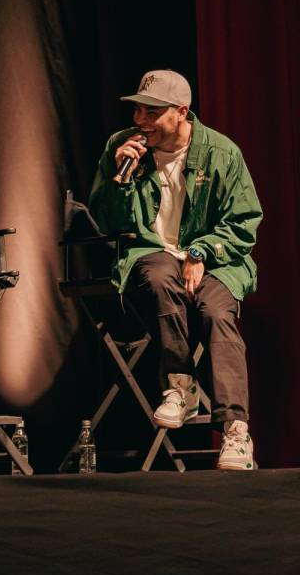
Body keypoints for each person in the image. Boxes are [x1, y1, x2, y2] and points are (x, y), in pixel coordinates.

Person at [88, 69, 263, 470]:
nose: (140, 122)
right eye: (137, 112)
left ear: (181, 112)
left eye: (151, 113)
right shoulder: (122, 146)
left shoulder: (222, 153)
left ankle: (236, 430)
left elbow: (244, 222)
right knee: (159, 276)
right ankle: (180, 386)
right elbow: (108, 221)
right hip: (152, 252)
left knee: (218, 315)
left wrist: (201, 252)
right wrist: (120, 182)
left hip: (217, 259)